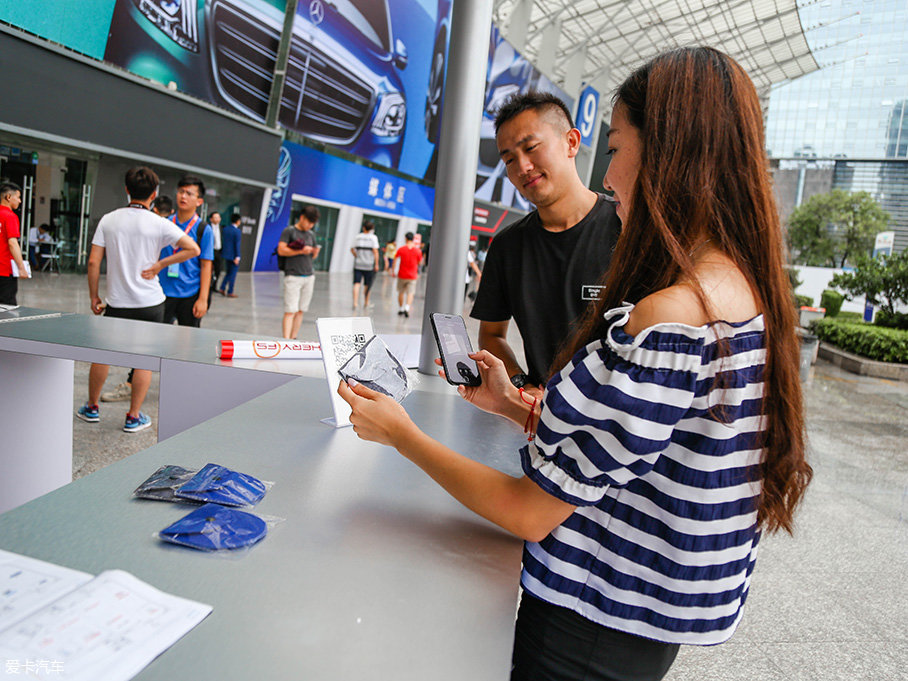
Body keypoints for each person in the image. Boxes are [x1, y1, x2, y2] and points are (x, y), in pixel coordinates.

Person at [338, 47, 812, 681]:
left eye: (615, 149)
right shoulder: (746, 293)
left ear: (668, 151)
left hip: (589, 620)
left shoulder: (670, 315)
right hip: (636, 616)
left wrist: (401, 435)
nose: (610, 174)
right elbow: (636, 450)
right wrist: (513, 404)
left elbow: (531, 511)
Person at [471, 91, 621, 395]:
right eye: (509, 159)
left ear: (571, 142)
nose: (522, 167)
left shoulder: (626, 228)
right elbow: (491, 334)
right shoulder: (507, 246)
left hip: (620, 422)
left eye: (531, 148)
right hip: (542, 419)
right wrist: (520, 384)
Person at [76, 166, 199, 432]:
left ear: (126, 189)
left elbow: (93, 263)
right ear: (154, 194)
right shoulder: (159, 222)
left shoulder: (109, 220)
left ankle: (92, 407)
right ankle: (133, 417)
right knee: (144, 359)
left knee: (102, 355)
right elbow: (193, 249)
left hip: (117, 302)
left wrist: (94, 296)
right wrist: (160, 264)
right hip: (151, 303)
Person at [157, 175, 214, 327]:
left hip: (190, 294)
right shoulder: (165, 224)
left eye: (189, 193)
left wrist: (203, 299)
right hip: (163, 292)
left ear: (199, 201)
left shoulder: (204, 230)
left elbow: (206, 266)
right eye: (181, 191)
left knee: (187, 342)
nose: (183, 196)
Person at [278, 205, 321, 339]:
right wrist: (301, 251)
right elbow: (281, 250)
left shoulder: (311, 234)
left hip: (308, 275)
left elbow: (312, 257)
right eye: (309, 222)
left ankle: (294, 337)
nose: (310, 225)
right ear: (302, 218)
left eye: (313, 223)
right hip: (293, 275)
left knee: (301, 310)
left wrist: (314, 252)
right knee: (290, 310)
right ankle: (286, 339)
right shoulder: (289, 231)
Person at [0, 182, 29, 307]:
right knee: (7, 308)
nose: (20, 201)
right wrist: (21, 267)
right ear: (8, 197)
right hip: (5, 271)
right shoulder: (10, 216)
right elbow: (12, 243)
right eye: (18, 197)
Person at [351, 220, 380, 310]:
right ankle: (366, 302)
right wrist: (376, 264)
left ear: (363, 228)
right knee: (367, 285)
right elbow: (375, 251)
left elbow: (352, 249)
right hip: (369, 265)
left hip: (358, 264)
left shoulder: (358, 237)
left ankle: (355, 303)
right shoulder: (373, 238)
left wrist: (357, 256)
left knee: (356, 283)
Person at [394, 232, 422, 318]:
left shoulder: (401, 249)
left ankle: (401, 308)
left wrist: (393, 270)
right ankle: (407, 308)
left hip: (402, 274)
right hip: (412, 275)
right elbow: (419, 262)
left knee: (401, 292)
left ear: (406, 238)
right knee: (410, 293)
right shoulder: (418, 251)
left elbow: (395, 259)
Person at [218, 213, 242, 297]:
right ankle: (230, 291)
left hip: (226, 254)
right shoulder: (237, 231)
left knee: (228, 272)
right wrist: (237, 256)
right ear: (238, 221)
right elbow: (237, 244)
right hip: (233, 255)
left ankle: (222, 287)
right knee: (232, 274)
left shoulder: (225, 229)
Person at [208, 210, 223, 290]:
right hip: (210, 251)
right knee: (208, 270)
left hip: (218, 252)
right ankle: (208, 286)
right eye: (215, 217)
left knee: (218, 270)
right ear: (211, 219)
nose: (217, 219)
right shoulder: (208, 227)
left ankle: (214, 286)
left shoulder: (222, 228)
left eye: (218, 217)